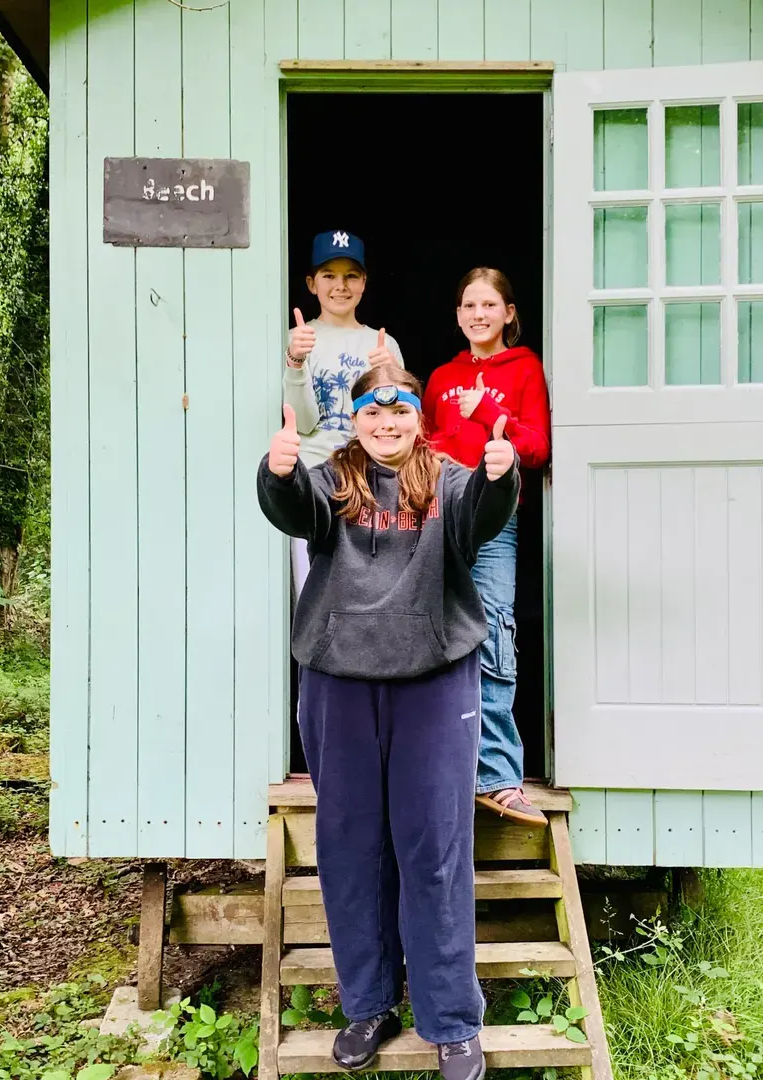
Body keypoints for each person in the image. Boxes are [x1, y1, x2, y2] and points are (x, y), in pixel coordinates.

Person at [257, 362, 519, 1080]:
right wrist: (277, 472)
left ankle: (452, 1021)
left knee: (433, 846)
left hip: (434, 680)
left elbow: (483, 514)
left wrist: (502, 477)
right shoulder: (328, 479)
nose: (386, 424)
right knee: (350, 846)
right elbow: (291, 510)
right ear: (356, 417)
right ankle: (368, 1005)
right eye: (373, 412)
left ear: (418, 417)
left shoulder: (450, 480)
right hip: (339, 680)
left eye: (399, 411)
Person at [423, 269, 551, 827]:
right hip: (439, 519)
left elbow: (539, 448)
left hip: (496, 522)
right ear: (458, 315)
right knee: (432, 634)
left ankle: (498, 777)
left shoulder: (524, 369)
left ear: (508, 313)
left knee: (494, 633)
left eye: (489, 305)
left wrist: (490, 415)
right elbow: (420, 445)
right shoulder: (440, 378)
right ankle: (436, 766)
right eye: (469, 305)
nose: (478, 314)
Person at [283, 229, 403, 599]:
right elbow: (301, 423)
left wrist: (389, 379)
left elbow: (398, 425)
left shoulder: (382, 344)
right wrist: (296, 361)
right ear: (311, 283)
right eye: (329, 276)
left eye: (351, 275)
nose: (340, 286)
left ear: (364, 282)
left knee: (370, 592)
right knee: (312, 592)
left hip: (370, 483)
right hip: (314, 480)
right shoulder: (297, 337)